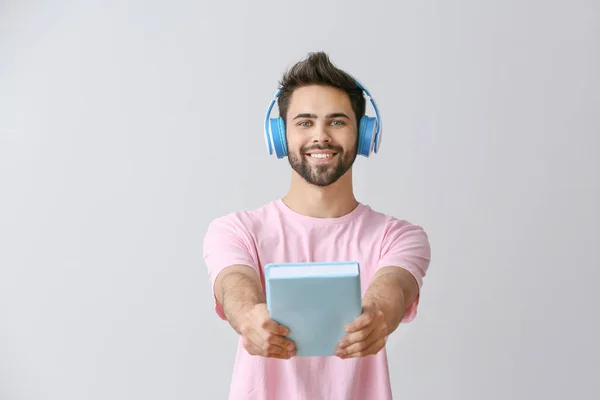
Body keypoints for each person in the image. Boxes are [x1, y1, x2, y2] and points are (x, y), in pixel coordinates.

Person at [202, 51, 431, 400]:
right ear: (280, 136)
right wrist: (248, 315)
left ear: (365, 134)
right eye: (305, 122)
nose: (320, 136)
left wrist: (378, 314)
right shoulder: (236, 230)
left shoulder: (399, 237)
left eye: (337, 122)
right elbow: (234, 284)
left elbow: (393, 287)